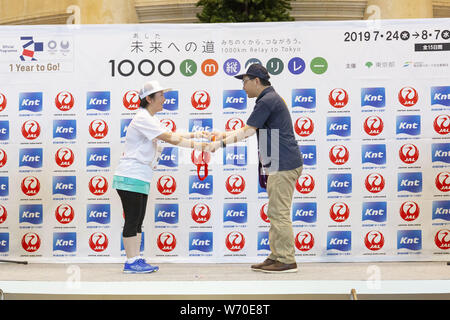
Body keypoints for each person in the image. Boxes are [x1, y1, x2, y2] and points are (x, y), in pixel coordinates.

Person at [209, 64, 303, 273]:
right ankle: (277, 255)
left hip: (283, 164)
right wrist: (222, 134)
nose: (243, 87)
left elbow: (248, 132)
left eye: (245, 81)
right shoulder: (268, 99)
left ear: (256, 81)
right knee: (275, 212)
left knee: (279, 213)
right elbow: (249, 129)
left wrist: (218, 144)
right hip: (278, 162)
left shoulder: (267, 101)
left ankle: (287, 259)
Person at [113, 80, 209, 274]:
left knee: (138, 221)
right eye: (161, 96)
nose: (164, 99)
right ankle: (131, 262)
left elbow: (170, 134)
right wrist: (198, 146)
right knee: (133, 220)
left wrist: (197, 135)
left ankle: (136, 258)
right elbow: (169, 138)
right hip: (130, 176)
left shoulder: (150, 118)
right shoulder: (143, 118)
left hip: (139, 177)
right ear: (148, 99)